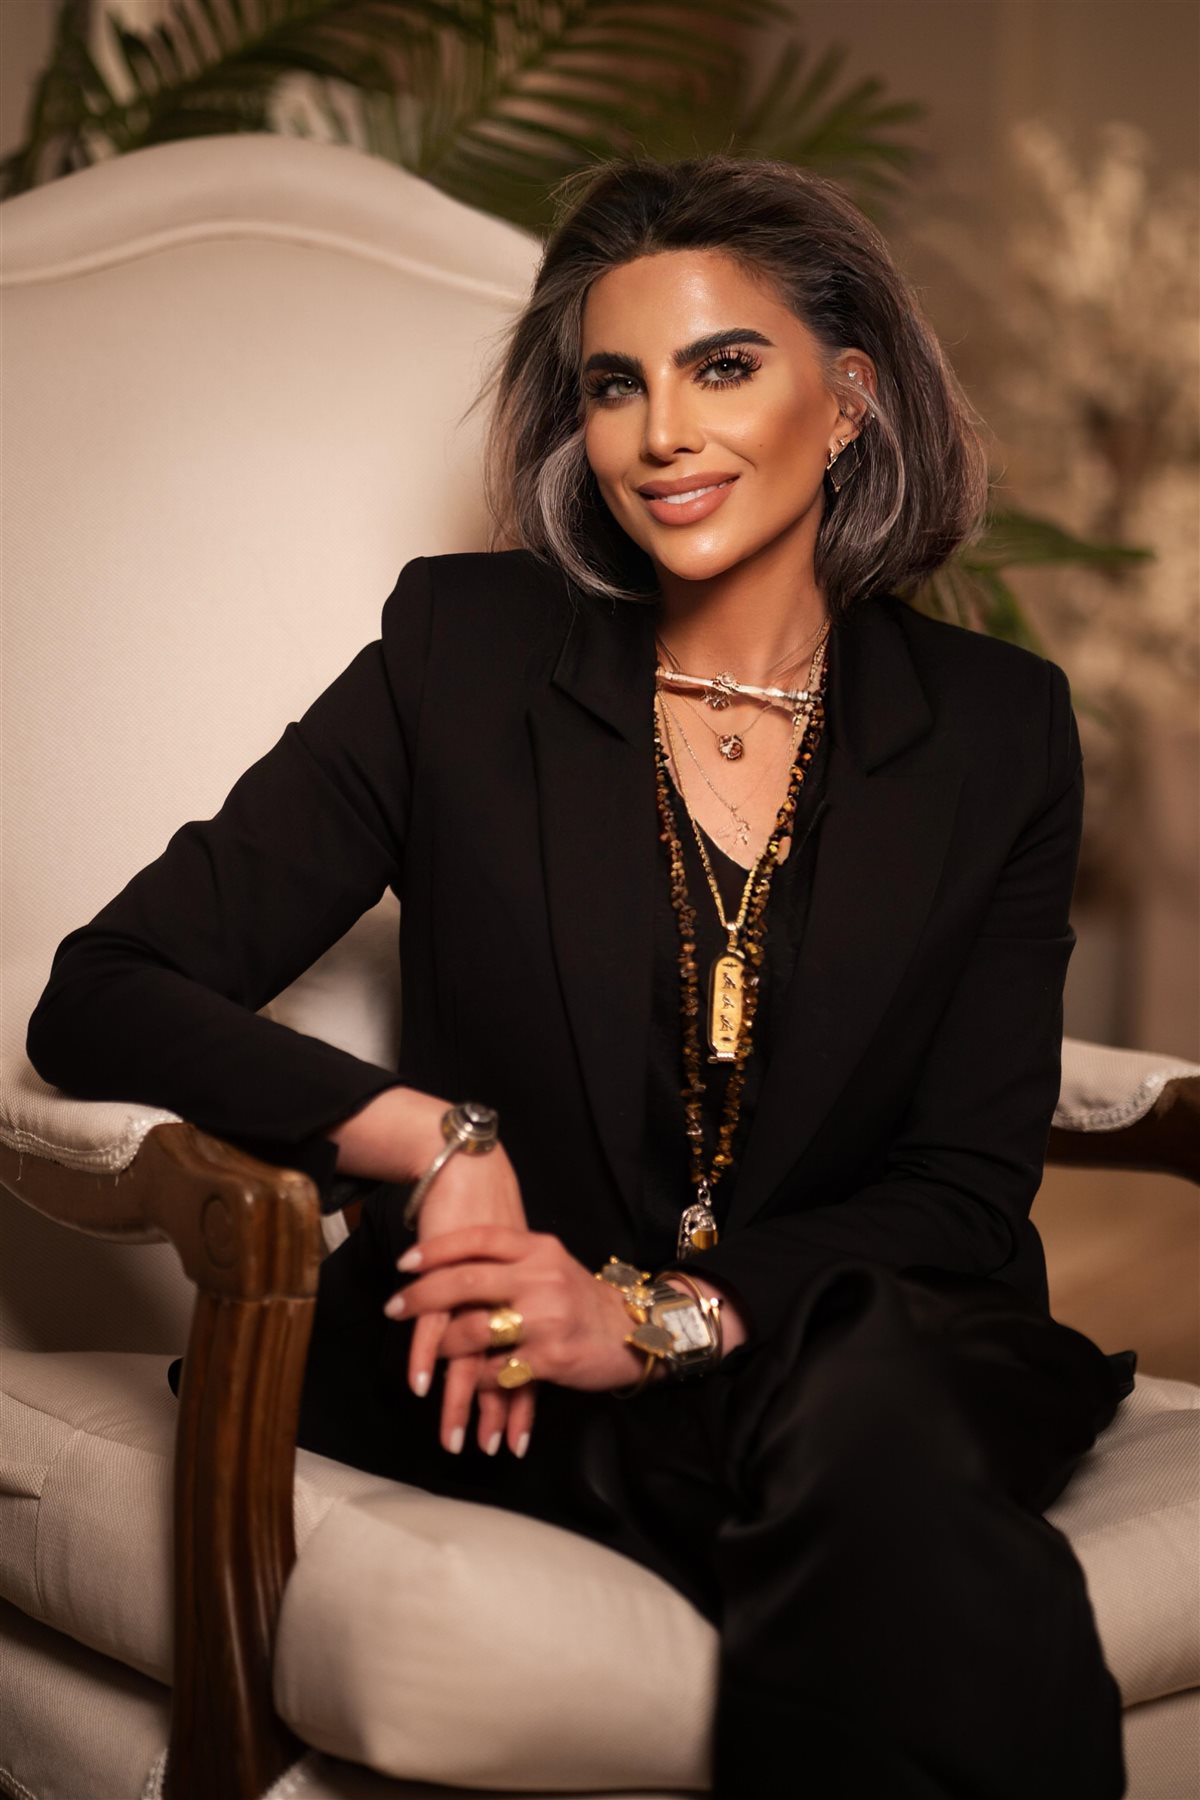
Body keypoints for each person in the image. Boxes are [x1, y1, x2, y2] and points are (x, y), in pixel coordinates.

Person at [26, 155, 1128, 1797]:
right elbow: (106, 989)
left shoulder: (997, 728)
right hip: (501, 1354)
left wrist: (657, 1316)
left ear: (850, 400)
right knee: (886, 1490)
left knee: (868, 1419)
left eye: (723, 366)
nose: (661, 433)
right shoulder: (463, 657)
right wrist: (432, 1138)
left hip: (840, 1340)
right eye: (617, 385)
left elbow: (965, 1190)